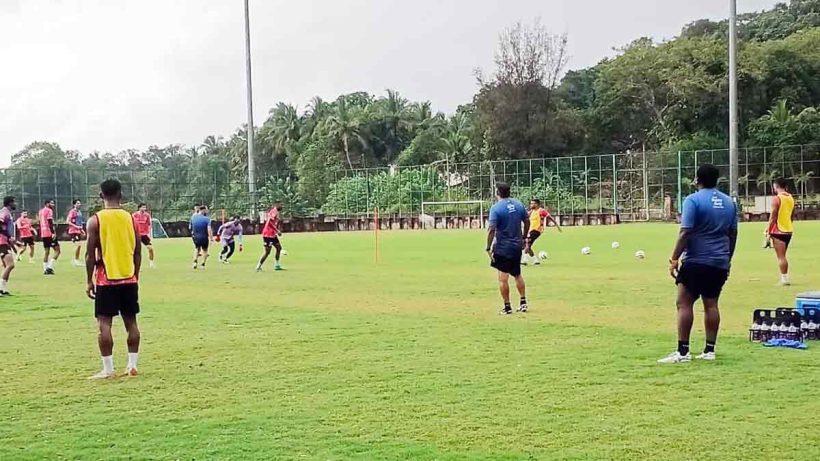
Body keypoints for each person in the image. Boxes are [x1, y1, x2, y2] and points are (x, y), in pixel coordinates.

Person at [661, 164, 738, 364]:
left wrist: (674, 258)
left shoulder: (692, 200)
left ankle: (683, 352)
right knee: (711, 304)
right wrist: (727, 260)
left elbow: (685, 231)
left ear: (697, 180)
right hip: (719, 261)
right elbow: (733, 234)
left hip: (696, 260)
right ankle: (709, 350)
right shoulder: (729, 202)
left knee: (684, 303)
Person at [85, 179, 142, 379]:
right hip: (129, 277)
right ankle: (132, 364)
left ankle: (108, 369)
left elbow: (90, 255)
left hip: (105, 280)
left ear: (101, 195)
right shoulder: (131, 219)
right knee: (131, 323)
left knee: (104, 324)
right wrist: (136, 275)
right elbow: (137, 251)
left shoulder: (95, 220)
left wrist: (89, 281)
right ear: (121, 194)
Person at [486, 183, 530, 315]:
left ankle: (507, 306)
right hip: (516, 246)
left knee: (502, 278)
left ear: (497, 193)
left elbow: (491, 229)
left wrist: (488, 247)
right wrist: (523, 237)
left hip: (503, 247)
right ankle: (523, 302)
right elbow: (527, 221)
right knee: (517, 274)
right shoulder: (518, 204)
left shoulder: (496, 208)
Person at [766, 178, 794, 286]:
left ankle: (784, 279)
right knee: (783, 255)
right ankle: (784, 277)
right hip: (788, 230)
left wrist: (768, 230)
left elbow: (773, 216)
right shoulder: (790, 198)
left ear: (776, 186)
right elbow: (791, 215)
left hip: (778, 231)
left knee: (781, 257)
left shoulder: (777, 199)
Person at [523, 199, 561, 265]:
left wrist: (557, 225)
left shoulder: (541, 211)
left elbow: (550, 217)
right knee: (527, 245)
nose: (531, 205)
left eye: (533, 203)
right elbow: (524, 217)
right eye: (531, 203)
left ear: (537, 204)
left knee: (527, 243)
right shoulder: (531, 212)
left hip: (537, 230)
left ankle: (524, 260)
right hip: (530, 230)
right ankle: (535, 260)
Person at [256, 202, 284, 272]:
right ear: (277, 205)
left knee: (279, 248)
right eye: (281, 205)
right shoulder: (274, 212)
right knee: (267, 252)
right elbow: (269, 222)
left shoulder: (276, 212)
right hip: (268, 235)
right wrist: (277, 230)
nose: (282, 206)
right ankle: (258, 266)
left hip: (272, 235)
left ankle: (277, 265)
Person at [0, 197, 17, 296]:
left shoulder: (7, 213)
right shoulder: (4, 212)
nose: (15, 204)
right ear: (10, 203)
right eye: (14, 202)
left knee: (7, 265)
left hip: (5, 242)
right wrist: (9, 236)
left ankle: (3, 289)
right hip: (1, 242)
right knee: (10, 265)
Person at [39, 199, 60, 275]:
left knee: (46, 252)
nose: (53, 205)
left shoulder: (41, 211)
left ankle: (45, 269)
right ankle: (49, 267)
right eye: (51, 203)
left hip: (43, 233)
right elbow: (50, 221)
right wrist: (53, 232)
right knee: (57, 251)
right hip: (49, 233)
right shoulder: (49, 210)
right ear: (47, 204)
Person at [132, 204, 156, 268]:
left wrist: (149, 233)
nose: (144, 208)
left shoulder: (147, 215)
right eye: (143, 207)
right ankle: (137, 265)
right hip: (137, 235)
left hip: (144, 235)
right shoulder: (134, 215)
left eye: (145, 207)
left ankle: (151, 263)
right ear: (139, 208)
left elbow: (149, 224)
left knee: (150, 248)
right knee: (136, 251)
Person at [67, 199, 86, 267]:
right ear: (74, 204)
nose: (79, 204)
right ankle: (75, 261)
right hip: (73, 231)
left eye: (80, 203)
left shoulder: (79, 212)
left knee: (79, 245)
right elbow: (68, 221)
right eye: (78, 203)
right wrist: (76, 227)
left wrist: (82, 230)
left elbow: (79, 222)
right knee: (78, 245)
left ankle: (76, 260)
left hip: (78, 231)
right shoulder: (72, 212)